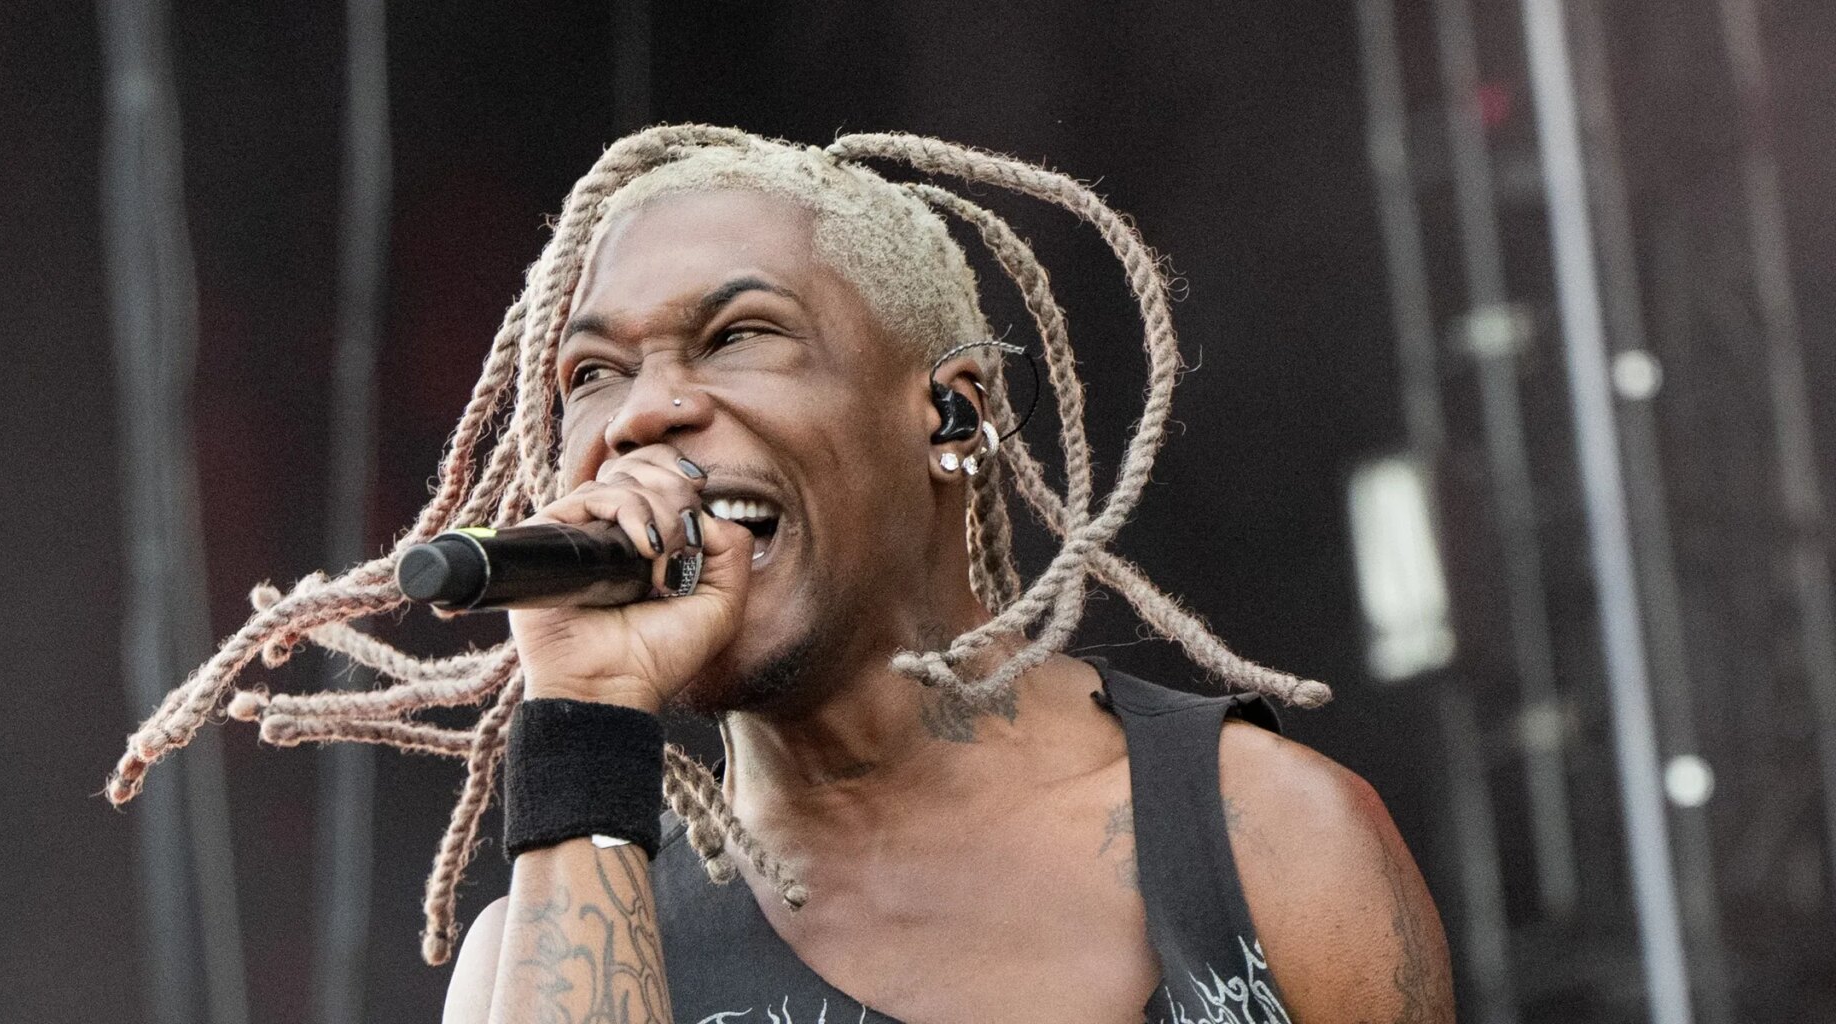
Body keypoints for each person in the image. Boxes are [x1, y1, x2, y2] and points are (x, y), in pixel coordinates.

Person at [109, 127, 1453, 1024]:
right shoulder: (550, 943)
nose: (644, 415)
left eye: (738, 335)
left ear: (952, 415)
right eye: (593, 374)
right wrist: (583, 720)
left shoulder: (1269, 840)